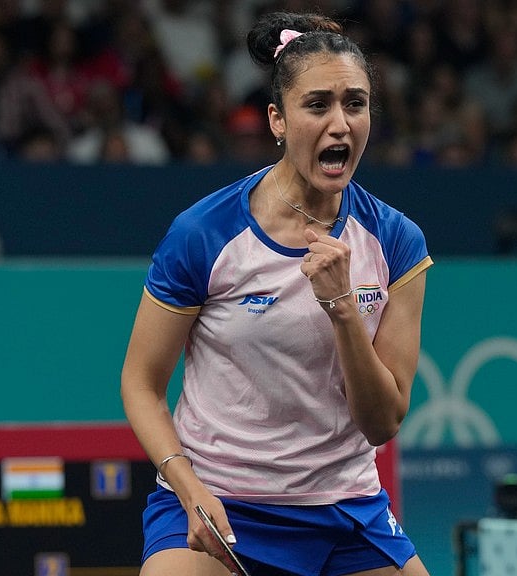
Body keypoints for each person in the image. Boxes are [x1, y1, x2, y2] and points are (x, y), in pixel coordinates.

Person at [120, 11, 433, 576]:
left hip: (346, 513)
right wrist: (190, 489)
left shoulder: (396, 242)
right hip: (220, 501)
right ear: (278, 120)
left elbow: (383, 423)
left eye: (354, 104)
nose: (340, 123)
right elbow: (141, 383)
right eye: (317, 105)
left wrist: (342, 311)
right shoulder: (204, 233)